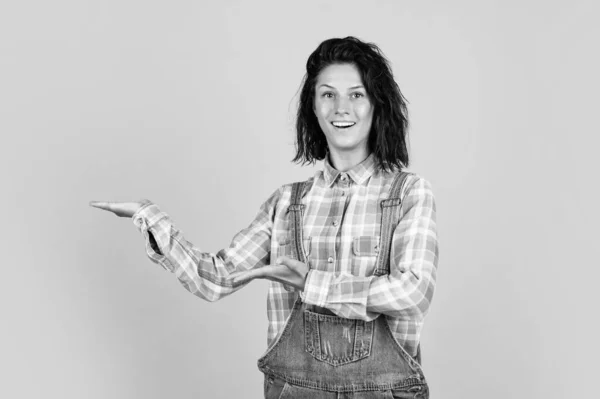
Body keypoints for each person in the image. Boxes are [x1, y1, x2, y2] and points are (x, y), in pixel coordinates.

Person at [91, 36, 439, 399]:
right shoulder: (286, 203)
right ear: (313, 109)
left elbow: (413, 293)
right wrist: (149, 217)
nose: (341, 107)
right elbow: (216, 279)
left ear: (376, 105)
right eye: (327, 94)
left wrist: (312, 283)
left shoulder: (409, 193)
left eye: (356, 94)